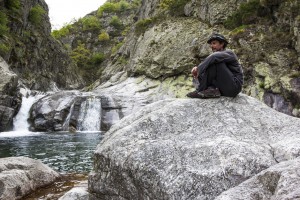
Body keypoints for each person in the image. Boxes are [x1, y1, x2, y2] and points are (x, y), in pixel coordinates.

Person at [186, 33, 243, 98]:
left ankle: (200, 90)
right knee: (208, 65)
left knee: (215, 62)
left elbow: (214, 57)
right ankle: (211, 90)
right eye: (211, 44)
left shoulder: (229, 53)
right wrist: (197, 73)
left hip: (233, 87)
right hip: (222, 88)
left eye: (214, 43)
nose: (211, 46)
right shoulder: (215, 57)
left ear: (222, 44)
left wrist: (198, 70)